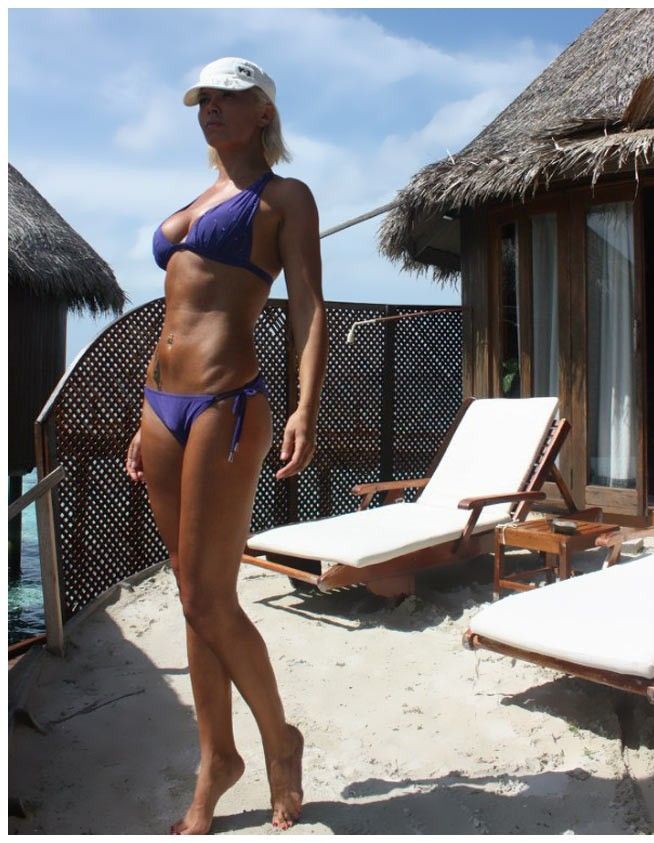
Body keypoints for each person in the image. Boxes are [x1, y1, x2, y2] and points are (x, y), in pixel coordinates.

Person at [124, 57, 326, 832]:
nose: (209, 108)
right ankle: (216, 759)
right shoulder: (199, 198)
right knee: (192, 596)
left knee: (210, 596)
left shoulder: (284, 197)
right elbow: (175, 307)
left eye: (226, 98)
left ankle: (278, 741)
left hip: (226, 402)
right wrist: (141, 418)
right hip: (160, 406)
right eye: (202, 99)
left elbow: (308, 305)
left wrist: (307, 405)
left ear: (263, 112)